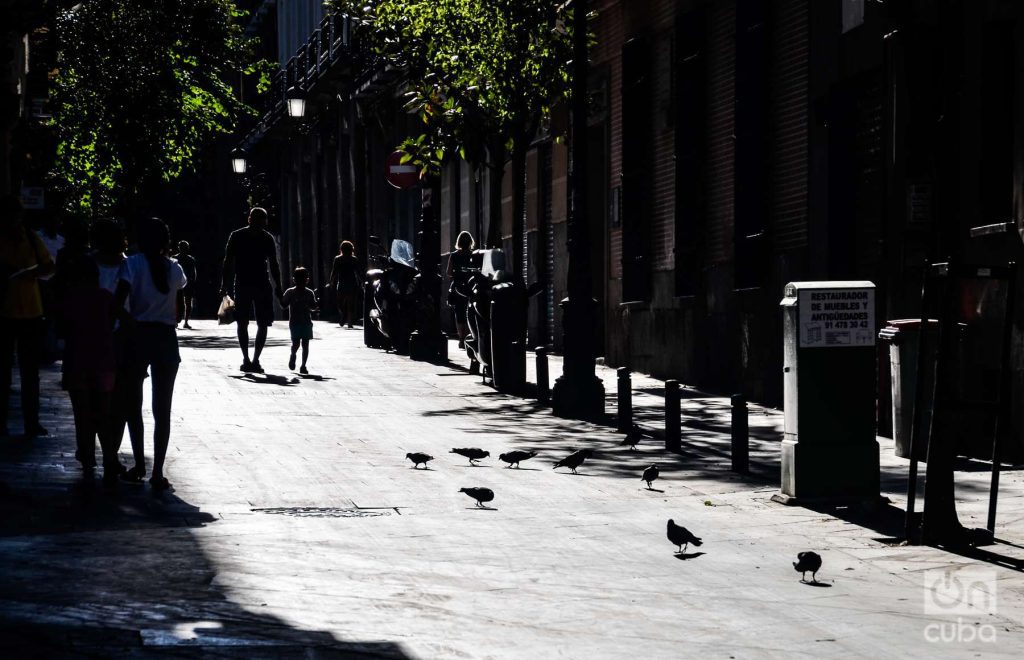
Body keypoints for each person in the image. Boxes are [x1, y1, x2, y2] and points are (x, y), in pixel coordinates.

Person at [114, 218, 187, 491]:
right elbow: (178, 313)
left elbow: (117, 303)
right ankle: (158, 472)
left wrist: (131, 323)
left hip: (138, 336)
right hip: (166, 339)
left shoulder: (131, 264)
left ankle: (140, 466)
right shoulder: (174, 269)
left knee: (133, 405)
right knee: (162, 410)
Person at [58, 256, 118, 483]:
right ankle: (110, 458)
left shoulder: (69, 300)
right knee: (103, 413)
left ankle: (87, 455)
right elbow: (122, 320)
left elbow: (62, 330)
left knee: (81, 413)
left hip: (77, 361)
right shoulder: (105, 297)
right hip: (104, 361)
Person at [0, 194, 55, 438]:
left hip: (31, 312)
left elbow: (48, 266)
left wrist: (29, 272)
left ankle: (31, 422)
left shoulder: (32, 239)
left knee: (30, 372)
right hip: (4, 313)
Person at [91, 219, 140, 482]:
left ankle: (109, 454)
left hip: (115, 336)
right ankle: (109, 454)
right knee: (112, 401)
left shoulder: (127, 264)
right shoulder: (125, 265)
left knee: (113, 401)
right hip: (108, 336)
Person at [220, 207, 282, 373]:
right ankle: (254, 360)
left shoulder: (237, 235)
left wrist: (224, 284)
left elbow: (228, 262)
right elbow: (274, 265)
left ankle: (247, 359)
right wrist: (279, 287)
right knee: (261, 323)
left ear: (249, 219)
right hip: (260, 283)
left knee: (243, 323)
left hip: (243, 283)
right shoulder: (266, 237)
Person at [280, 266, 318, 374]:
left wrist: (315, 305)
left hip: (306, 322)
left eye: (303, 279)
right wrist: (280, 298)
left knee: (305, 345)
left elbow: (312, 306)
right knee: (296, 344)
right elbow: (284, 305)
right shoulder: (290, 292)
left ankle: (303, 365)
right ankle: (293, 355)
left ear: (307, 280)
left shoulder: (309, 293)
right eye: (299, 279)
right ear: (294, 280)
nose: (301, 282)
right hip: (295, 323)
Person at [446, 231, 476, 349]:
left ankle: (461, 338)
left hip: (458, 287)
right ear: (470, 242)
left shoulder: (454, 255)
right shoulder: (473, 255)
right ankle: (469, 336)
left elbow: (448, 272)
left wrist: (456, 273)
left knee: (459, 314)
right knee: (469, 311)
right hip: (470, 287)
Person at [329, 240, 361, 328]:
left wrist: (331, 281)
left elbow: (358, 272)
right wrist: (332, 280)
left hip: (348, 283)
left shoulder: (352, 259)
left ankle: (348, 321)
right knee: (343, 303)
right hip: (347, 283)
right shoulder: (339, 259)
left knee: (344, 303)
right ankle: (345, 315)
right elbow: (334, 271)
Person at [174, 240, 197, 330]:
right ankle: (178, 320)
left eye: (185, 247)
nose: (183, 249)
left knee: (187, 303)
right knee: (177, 302)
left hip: (187, 283)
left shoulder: (190, 259)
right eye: (182, 247)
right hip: (177, 284)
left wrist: (192, 282)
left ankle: (186, 321)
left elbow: (193, 272)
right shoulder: (175, 259)